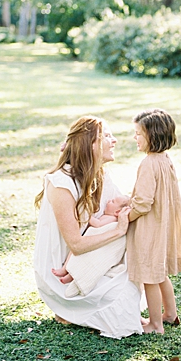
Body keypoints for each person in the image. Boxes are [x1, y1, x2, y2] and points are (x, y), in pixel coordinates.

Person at [33, 116, 145, 338]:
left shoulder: (102, 174)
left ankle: (78, 310)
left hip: (95, 256)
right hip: (62, 270)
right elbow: (76, 244)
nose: (114, 141)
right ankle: (69, 305)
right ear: (90, 144)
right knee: (121, 315)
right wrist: (117, 230)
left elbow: (122, 210)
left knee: (129, 292)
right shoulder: (61, 183)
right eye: (107, 136)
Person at [127, 109, 181, 334]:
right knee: (159, 273)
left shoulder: (148, 163)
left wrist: (126, 217)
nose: (135, 138)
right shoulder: (165, 159)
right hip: (163, 223)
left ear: (152, 137)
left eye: (138, 134)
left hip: (150, 228)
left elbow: (143, 203)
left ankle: (155, 324)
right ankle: (170, 314)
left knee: (149, 276)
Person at [51, 195, 133, 285]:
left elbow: (98, 225)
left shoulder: (112, 219)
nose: (109, 200)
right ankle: (65, 269)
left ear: (117, 212)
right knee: (73, 253)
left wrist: (86, 215)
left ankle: (70, 276)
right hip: (88, 240)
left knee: (81, 259)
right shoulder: (106, 216)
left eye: (113, 201)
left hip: (95, 245)